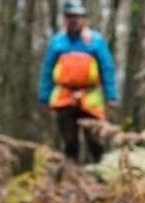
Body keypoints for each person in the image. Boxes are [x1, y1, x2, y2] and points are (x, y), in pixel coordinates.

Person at [38, 0, 118, 163]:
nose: (74, 20)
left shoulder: (95, 41)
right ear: (65, 19)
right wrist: (44, 97)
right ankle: (71, 173)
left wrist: (111, 95)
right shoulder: (57, 42)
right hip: (65, 95)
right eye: (70, 17)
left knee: (94, 139)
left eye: (78, 16)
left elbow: (107, 68)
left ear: (84, 19)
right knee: (69, 139)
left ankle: (100, 172)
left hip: (90, 96)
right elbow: (47, 70)